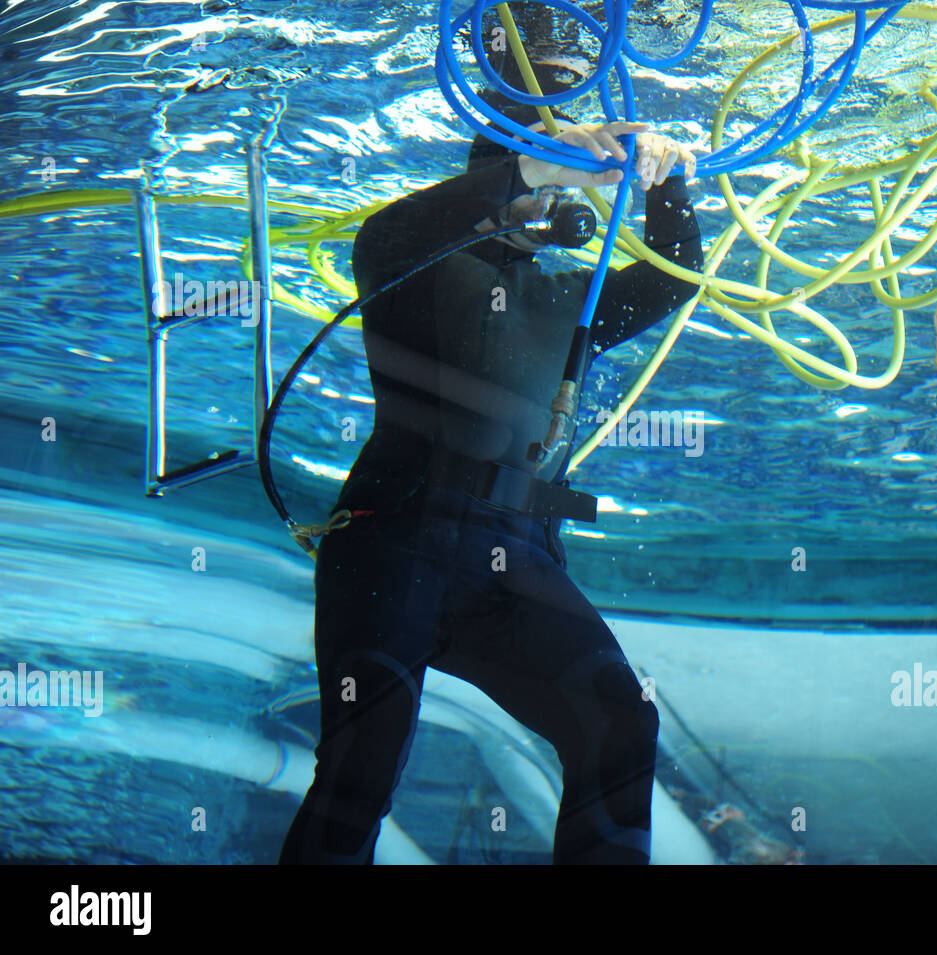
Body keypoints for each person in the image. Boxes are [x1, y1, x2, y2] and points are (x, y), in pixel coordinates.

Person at [279, 54, 703, 865]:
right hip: (394, 539)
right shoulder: (409, 267)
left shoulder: (567, 301)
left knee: (620, 720)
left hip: (515, 562)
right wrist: (536, 166)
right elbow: (391, 232)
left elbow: (672, 279)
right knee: (360, 770)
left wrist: (666, 180)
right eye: (536, 176)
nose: (552, 202)